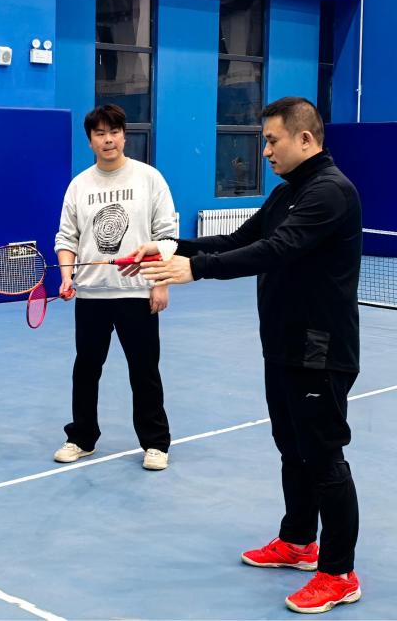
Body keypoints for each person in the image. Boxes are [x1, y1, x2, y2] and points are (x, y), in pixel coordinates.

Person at [131, 97, 362, 614]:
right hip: (282, 345)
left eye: (272, 140)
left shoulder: (330, 192)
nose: (265, 151)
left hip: (320, 350)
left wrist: (196, 270)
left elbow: (276, 250)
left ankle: (339, 572)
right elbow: (240, 238)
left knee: (323, 456)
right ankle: (298, 542)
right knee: (291, 448)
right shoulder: (287, 193)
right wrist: (170, 249)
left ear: (305, 139)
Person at [52, 104, 177, 471]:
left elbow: (167, 237)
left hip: (137, 293)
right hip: (91, 295)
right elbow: (66, 237)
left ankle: (155, 444)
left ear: (124, 135)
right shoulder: (80, 185)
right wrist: (66, 276)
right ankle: (82, 438)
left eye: (114, 132)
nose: (108, 139)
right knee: (86, 369)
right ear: (90, 141)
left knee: (144, 370)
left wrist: (161, 283)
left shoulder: (149, 178)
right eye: (100, 133)